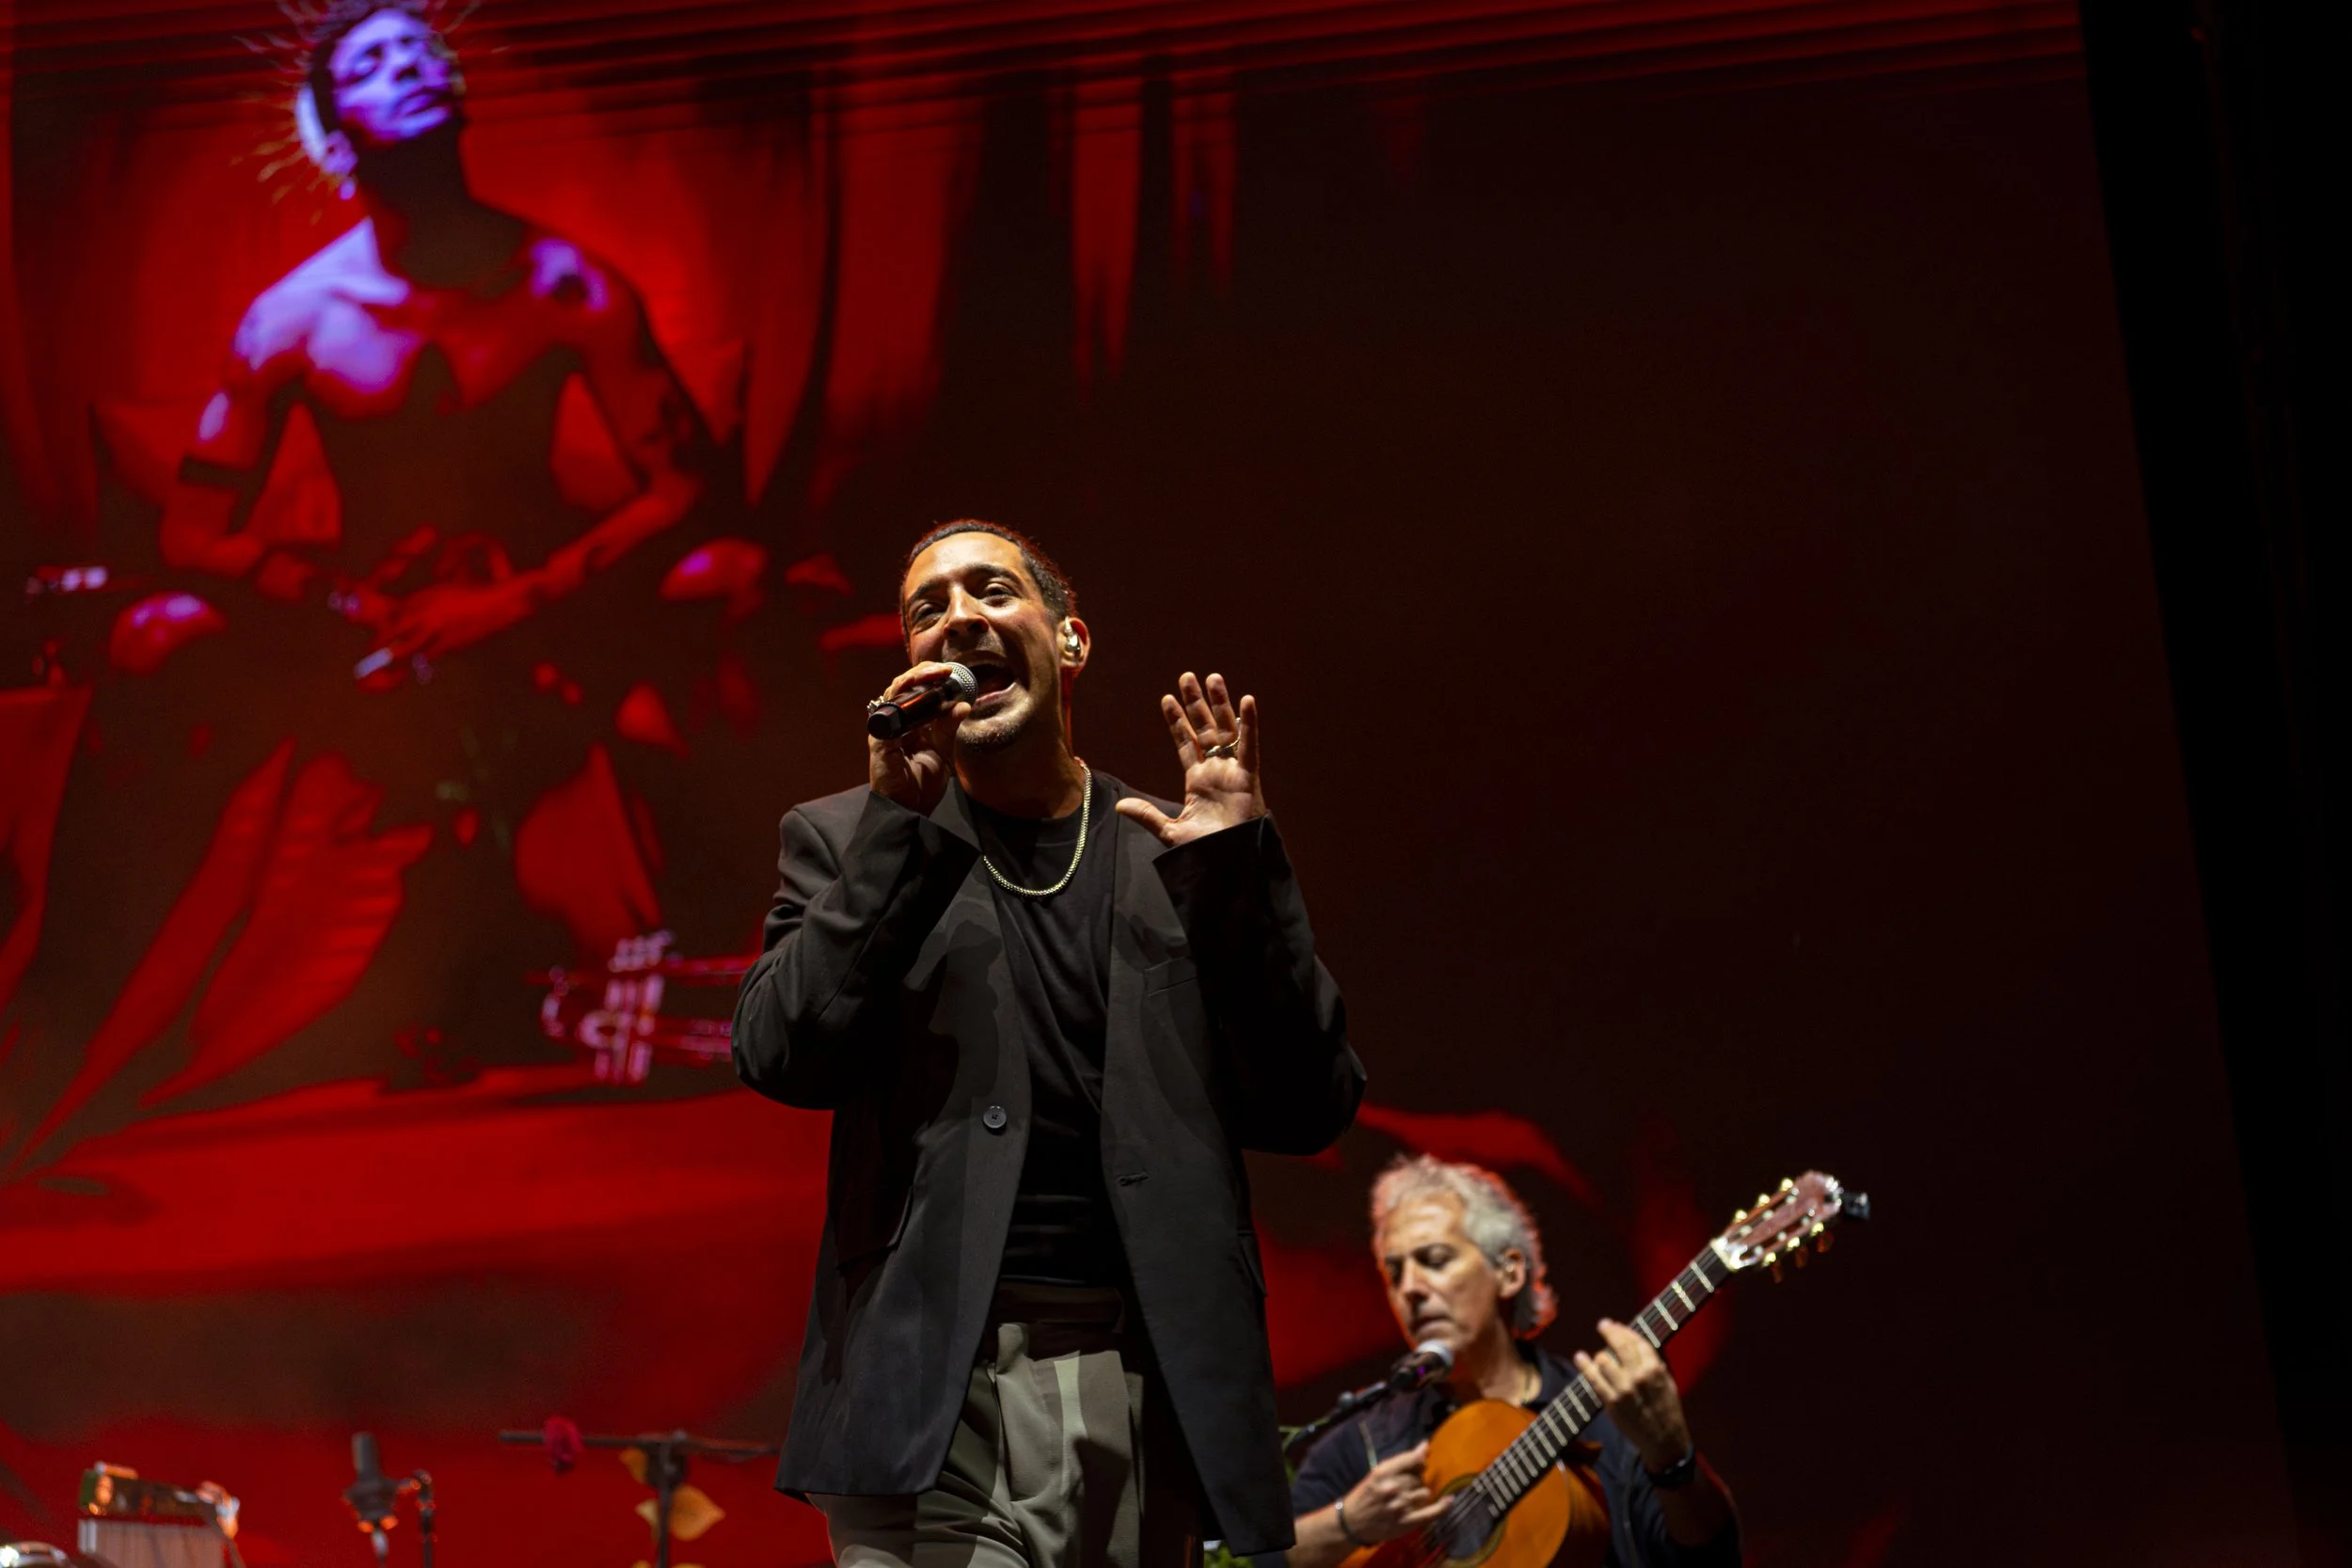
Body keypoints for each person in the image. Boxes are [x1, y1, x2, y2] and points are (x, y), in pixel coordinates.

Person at [732, 519, 1364, 1568]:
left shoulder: (1178, 849)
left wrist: (1234, 881)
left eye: (992, 591)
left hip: (1141, 1376)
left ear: (1069, 641)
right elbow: (778, 1052)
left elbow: (1309, 1104)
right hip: (933, 1388)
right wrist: (895, 832)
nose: (959, 619)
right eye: (928, 608)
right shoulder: (852, 837)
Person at [160, 0, 709, 673]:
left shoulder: (565, 285)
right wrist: (351, 604)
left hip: (540, 600)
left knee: (730, 571)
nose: (408, 66)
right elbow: (190, 535)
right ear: (334, 147)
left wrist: (519, 598)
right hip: (369, 609)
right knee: (160, 631)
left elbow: (686, 487)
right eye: (370, 65)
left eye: (423, 50)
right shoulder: (290, 320)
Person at [1286, 1157, 1740, 1568]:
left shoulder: (1612, 1412)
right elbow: (1257, 1560)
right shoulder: (1363, 1443)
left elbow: (1709, 1561)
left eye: (1434, 1260)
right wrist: (1348, 1524)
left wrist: (1671, 1457)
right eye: (1394, 1273)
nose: (1410, 1289)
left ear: (1509, 1273)